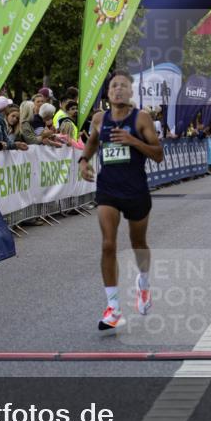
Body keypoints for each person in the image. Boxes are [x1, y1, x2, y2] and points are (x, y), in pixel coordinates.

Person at [78, 69, 163, 331]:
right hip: (108, 190)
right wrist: (83, 160)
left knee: (138, 243)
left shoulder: (141, 119)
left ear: (131, 92)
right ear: (108, 92)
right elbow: (92, 143)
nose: (118, 90)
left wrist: (133, 141)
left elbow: (158, 155)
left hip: (136, 190)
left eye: (124, 86)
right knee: (108, 244)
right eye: (114, 86)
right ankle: (113, 308)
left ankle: (144, 283)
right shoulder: (99, 119)